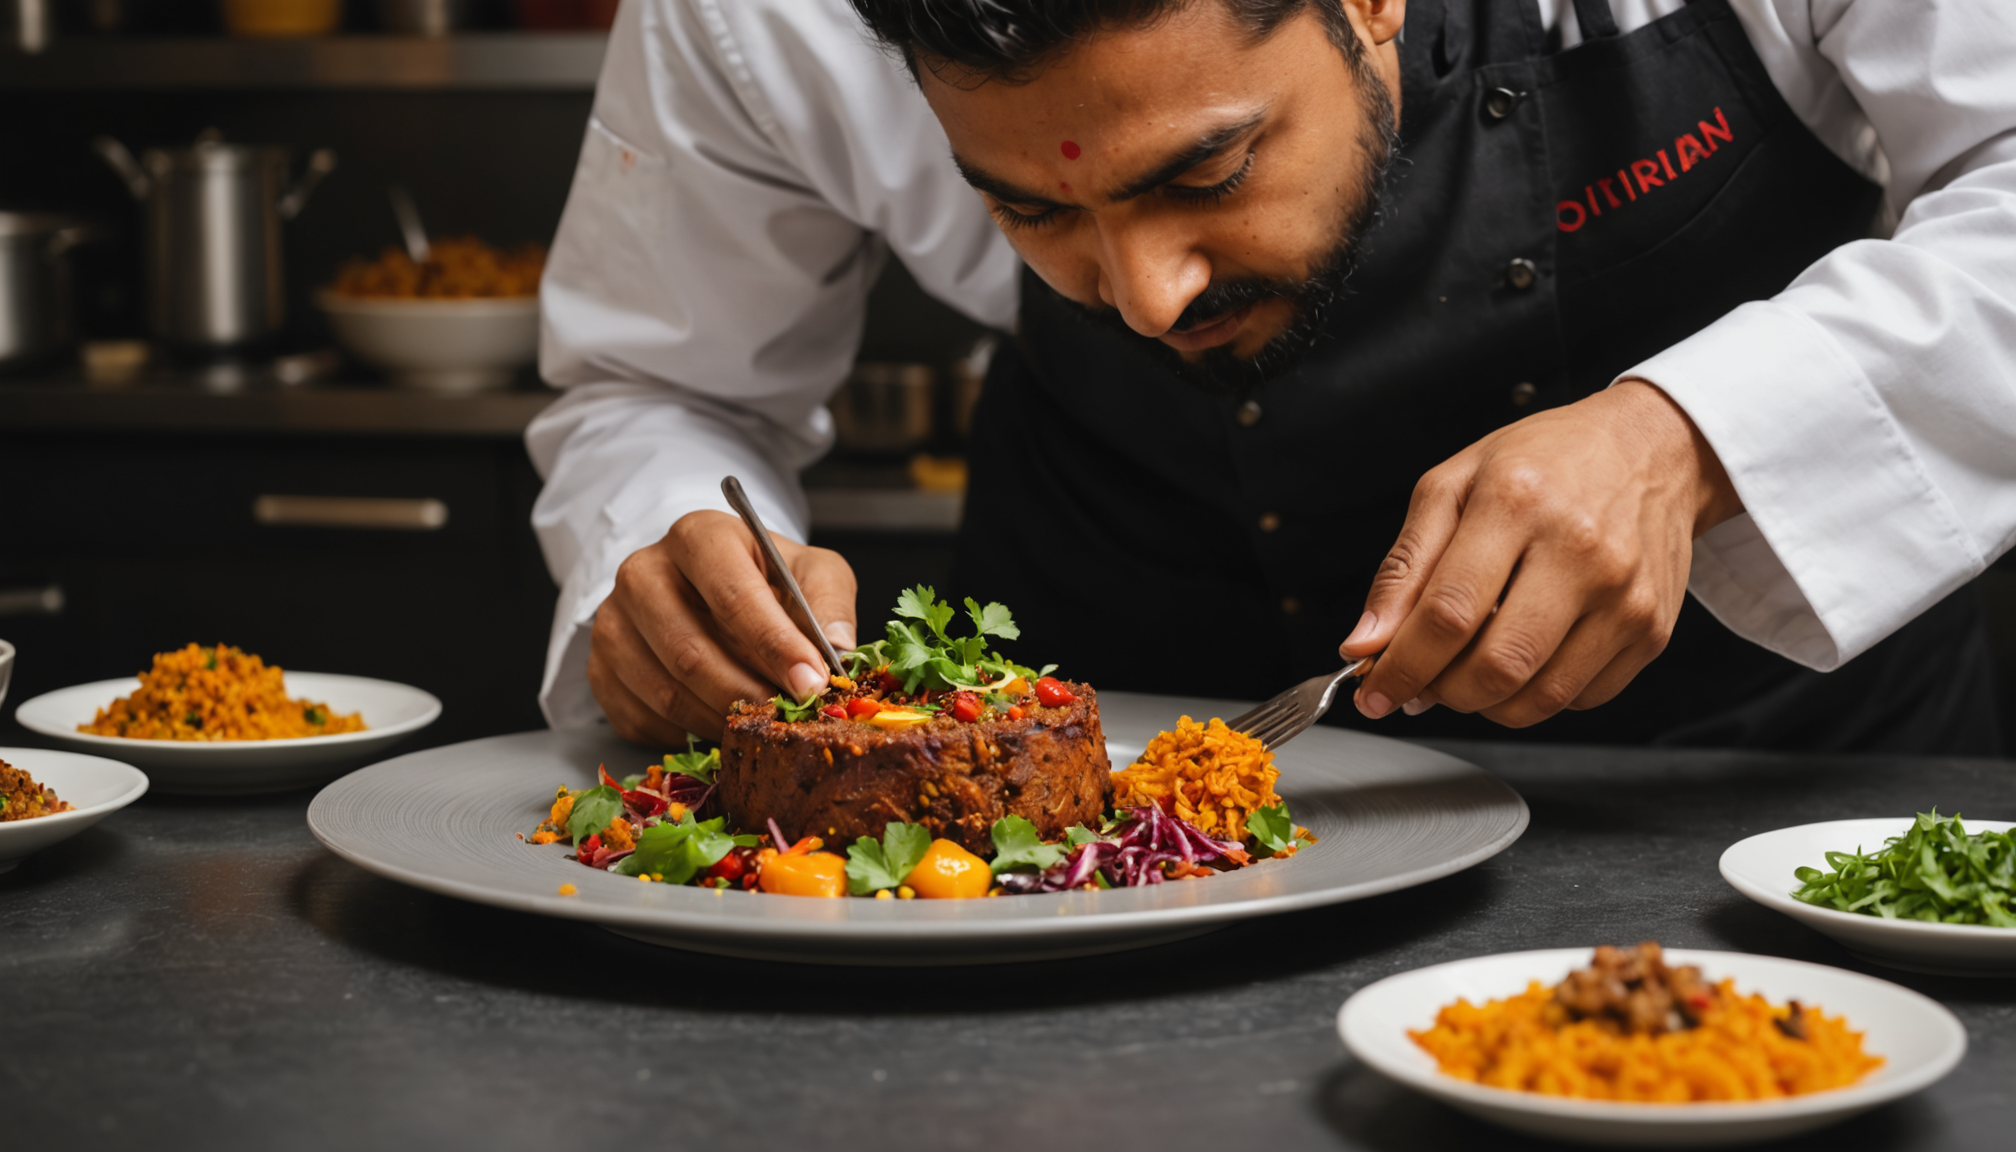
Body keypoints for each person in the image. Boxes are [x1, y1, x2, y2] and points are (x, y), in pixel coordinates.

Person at [527, 0, 2016, 754]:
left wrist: (1687, 436)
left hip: (1775, 790)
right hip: (1100, 813)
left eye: (1211, 167)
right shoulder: (757, 22)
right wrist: (653, 566)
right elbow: (666, 391)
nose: (1148, 295)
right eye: (1033, 204)